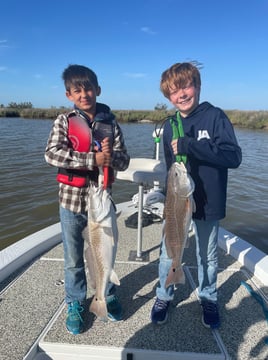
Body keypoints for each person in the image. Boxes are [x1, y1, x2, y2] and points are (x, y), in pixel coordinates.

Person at [151, 62, 242, 328]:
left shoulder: (215, 117)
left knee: (208, 254)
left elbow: (233, 156)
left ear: (197, 86)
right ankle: (164, 295)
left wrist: (193, 146)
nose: (180, 95)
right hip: (177, 202)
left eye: (185, 87)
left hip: (208, 201)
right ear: (168, 97)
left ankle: (208, 297)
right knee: (169, 253)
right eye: (172, 92)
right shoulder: (170, 126)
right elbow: (170, 169)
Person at [45, 64, 130, 335]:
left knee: (106, 251)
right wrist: (92, 158)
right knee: (73, 259)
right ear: (69, 94)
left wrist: (111, 156)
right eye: (78, 90)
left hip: (102, 204)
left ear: (98, 90)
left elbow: (124, 161)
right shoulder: (63, 121)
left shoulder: (111, 124)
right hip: (71, 204)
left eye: (89, 88)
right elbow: (52, 155)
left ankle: (107, 293)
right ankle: (76, 302)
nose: (85, 94)